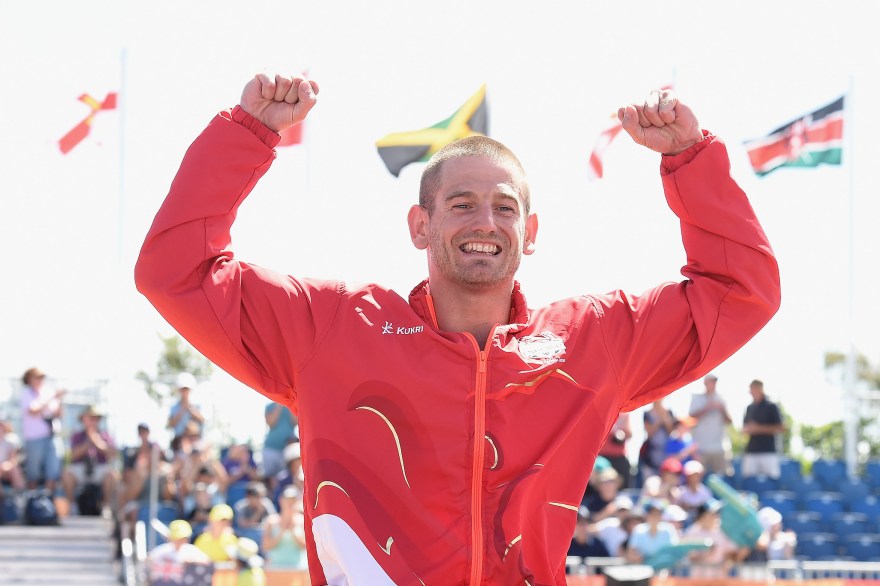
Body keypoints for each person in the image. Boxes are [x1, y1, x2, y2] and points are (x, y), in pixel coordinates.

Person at [134, 73, 781, 584]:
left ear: (529, 235)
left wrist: (692, 161)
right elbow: (177, 269)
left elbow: (739, 293)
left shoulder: (592, 339)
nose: (485, 223)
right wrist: (247, 132)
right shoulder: (332, 329)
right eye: (462, 204)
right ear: (420, 226)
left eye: (505, 207)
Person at [61, 405, 118, 515]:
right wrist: (88, 443)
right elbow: (72, 455)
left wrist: (97, 443)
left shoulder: (105, 435)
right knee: (67, 474)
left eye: (95, 418)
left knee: (111, 475)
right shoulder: (77, 435)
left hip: (100, 468)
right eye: (89, 418)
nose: (92, 421)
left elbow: (113, 454)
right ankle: (73, 506)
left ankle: (105, 506)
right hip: (81, 469)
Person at [19, 367, 64, 492]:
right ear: (29, 379)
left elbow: (59, 414)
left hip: (52, 436)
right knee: (33, 472)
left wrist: (59, 399)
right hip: (34, 438)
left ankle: (47, 501)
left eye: (41, 377)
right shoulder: (26, 394)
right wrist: (52, 397)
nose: (40, 380)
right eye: (37, 377)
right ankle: (33, 501)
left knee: (53, 470)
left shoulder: (48, 392)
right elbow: (33, 411)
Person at [688, 373, 733, 475]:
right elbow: (690, 419)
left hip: (720, 448)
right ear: (705, 383)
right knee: (699, 477)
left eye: (714, 381)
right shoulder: (697, 399)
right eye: (711, 381)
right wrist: (707, 408)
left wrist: (722, 410)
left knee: (722, 478)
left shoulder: (722, 398)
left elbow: (729, 421)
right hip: (701, 447)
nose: (713, 384)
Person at [742, 379, 785, 479]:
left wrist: (758, 428)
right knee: (749, 482)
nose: (751, 392)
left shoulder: (771, 406)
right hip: (751, 451)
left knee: (771, 482)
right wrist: (748, 430)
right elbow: (745, 428)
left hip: (768, 451)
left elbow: (781, 427)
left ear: (760, 389)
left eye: (753, 389)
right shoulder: (749, 408)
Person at [262, 486, 308, 571]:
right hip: (275, 568)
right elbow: (265, 546)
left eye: (293, 500)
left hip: (298, 569)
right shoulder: (271, 521)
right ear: (281, 500)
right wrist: (281, 532)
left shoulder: (303, 521)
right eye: (287, 499)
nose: (290, 503)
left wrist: (294, 533)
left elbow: (307, 547)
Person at [640, 400, 676, 481]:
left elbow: (671, 431)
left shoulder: (668, 412)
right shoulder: (647, 413)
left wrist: (665, 418)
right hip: (651, 455)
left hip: (665, 453)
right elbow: (649, 432)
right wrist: (659, 420)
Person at [262, 401, 298, 483]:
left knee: (285, 476)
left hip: (288, 449)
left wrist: (289, 404)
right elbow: (271, 423)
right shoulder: (269, 406)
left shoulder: (292, 405)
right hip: (271, 448)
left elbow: (295, 422)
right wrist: (279, 404)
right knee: (269, 477)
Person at [598, 412, 633, 489]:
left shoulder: (624, 414)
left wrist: (621, 434)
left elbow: (629, 433)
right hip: (603, 457)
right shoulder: (603, 412)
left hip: (619, 457)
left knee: (624, 483)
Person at [166, 372, 205, 441]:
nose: (185, 392)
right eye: (183, 389)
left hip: (194, 439)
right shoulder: (174, 407)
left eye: (187, 389)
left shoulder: (197, 405)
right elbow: (170, 424)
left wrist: (190, 409)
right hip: (179, 441)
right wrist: (182, 409)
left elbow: (202, 420)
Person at [0, 417, 25, 492]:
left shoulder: (10, 440)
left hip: (6, 468)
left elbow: (13, 460)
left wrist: (6, 466)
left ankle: (20, 495)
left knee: (15, 470)